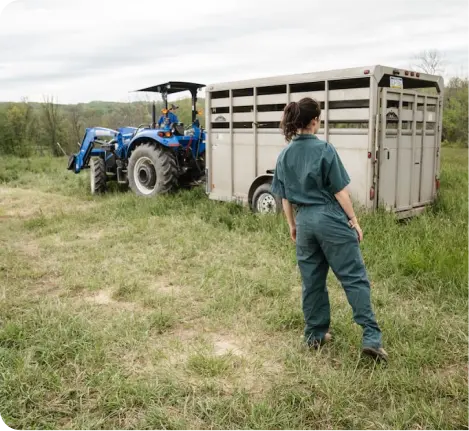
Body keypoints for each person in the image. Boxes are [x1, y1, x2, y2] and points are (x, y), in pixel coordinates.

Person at [271, 97, 387, 361]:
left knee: (312, 281)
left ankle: (315, 334)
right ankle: (371, 337)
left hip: (304, 222)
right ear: (314, 121)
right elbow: (340, 192)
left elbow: (285, 197)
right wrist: (354, 221)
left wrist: (293, 225)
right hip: (330, 218)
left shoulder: (284, 154)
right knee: (353, 277)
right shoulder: (325, 149)